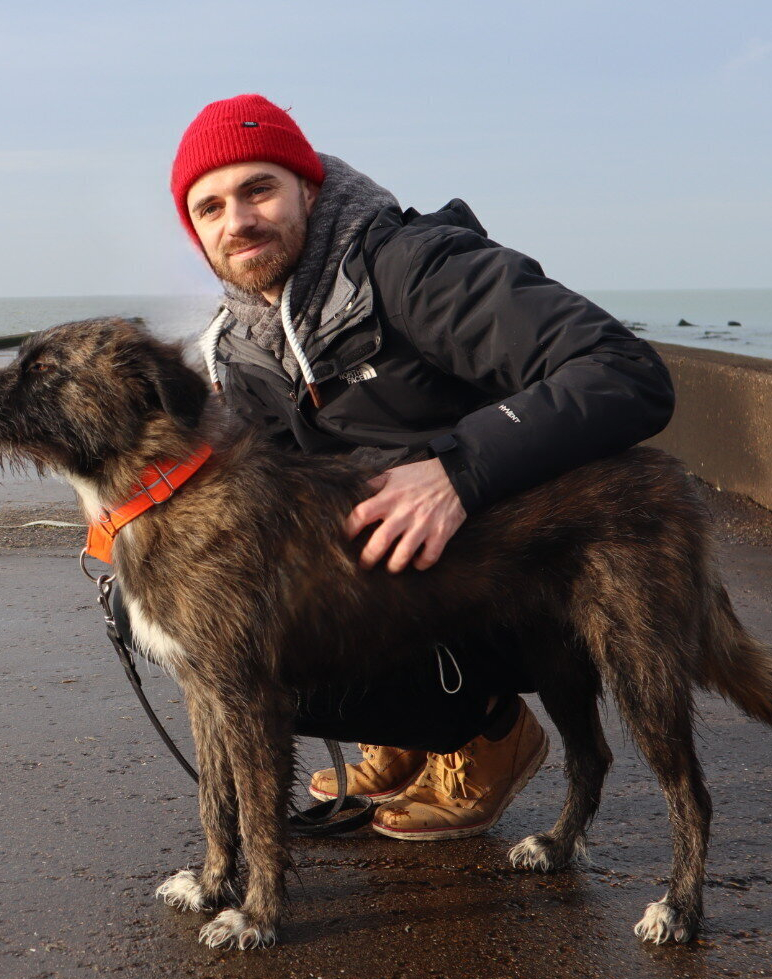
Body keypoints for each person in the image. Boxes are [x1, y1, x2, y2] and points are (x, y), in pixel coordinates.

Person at [169, 94, 674, 841]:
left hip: (520, 565)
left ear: (307, 188)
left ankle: (488, 729)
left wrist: (458, 470)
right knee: (183, 617)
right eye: (209, 208)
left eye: (257, 189)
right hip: (398, 579)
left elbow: (626, 371)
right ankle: (407, 734)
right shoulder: (236, 344)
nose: (236, 220)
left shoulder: (415, 268)